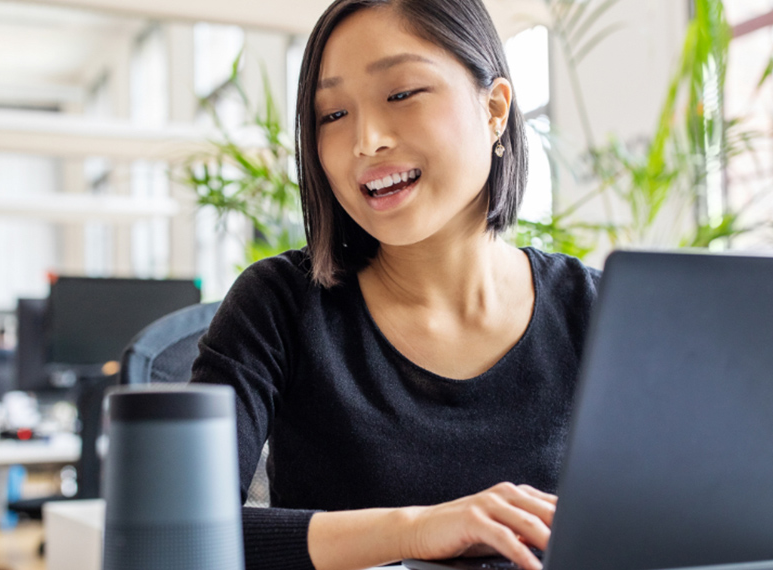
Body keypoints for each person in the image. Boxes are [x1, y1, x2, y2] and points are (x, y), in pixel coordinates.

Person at [191, 1, 600, 569]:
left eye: (402, 93)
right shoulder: (278, 305)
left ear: (494, 109)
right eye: (332, 115)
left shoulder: (598, 312)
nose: (367, 141)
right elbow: (177, 531)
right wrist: (415, 530)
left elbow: (683, 518)